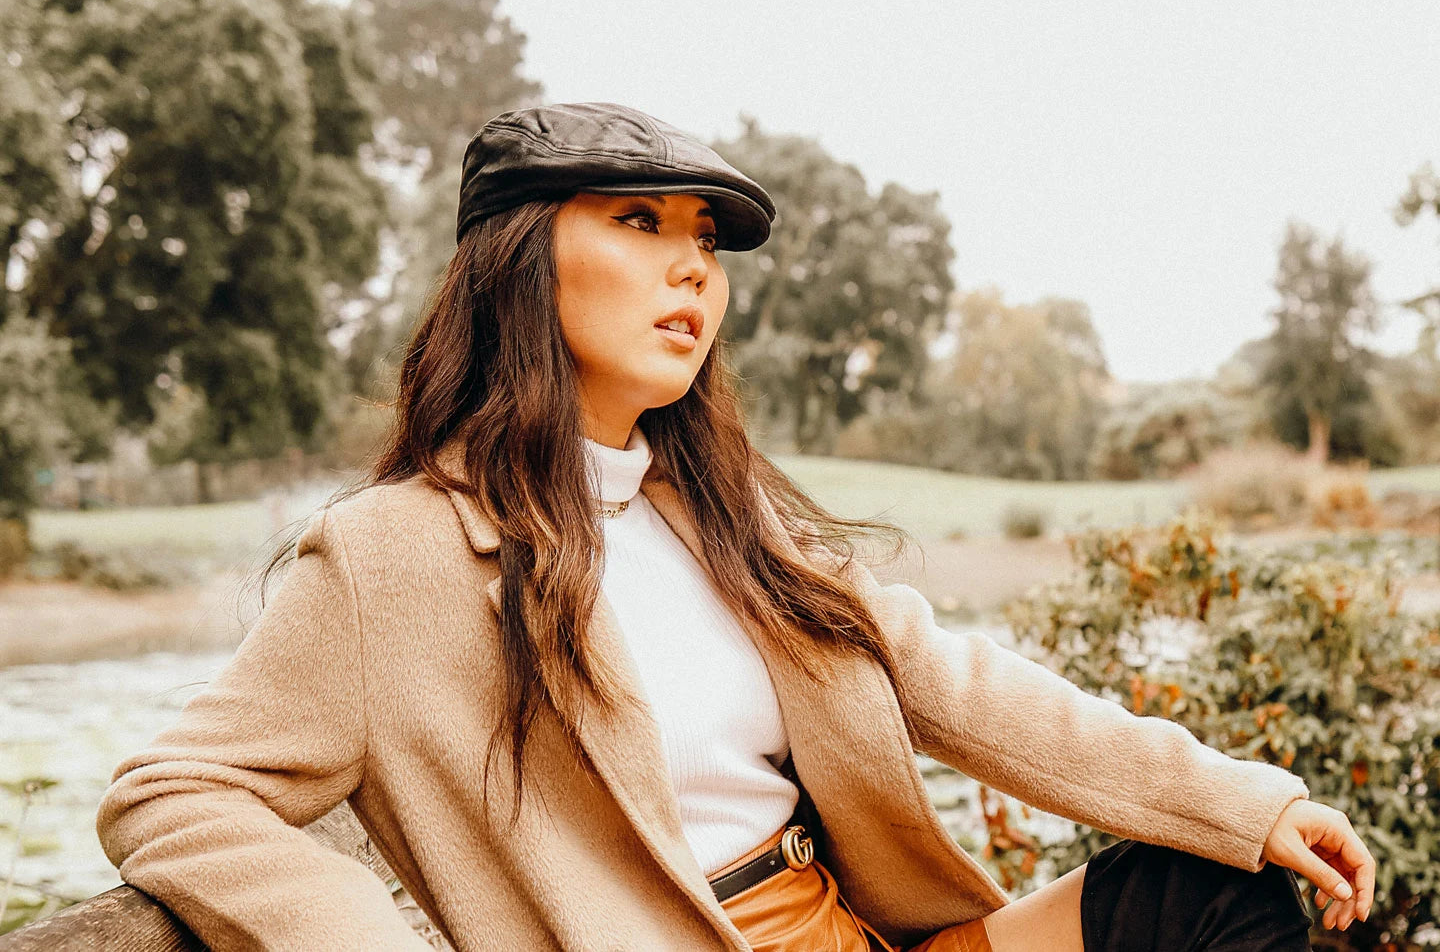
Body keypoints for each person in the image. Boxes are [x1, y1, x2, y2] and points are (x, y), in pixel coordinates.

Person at [95, 101, 1375, 951]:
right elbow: (176, 790)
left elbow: (966, 685)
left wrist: (1240, 799)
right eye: (639, 224)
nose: (693, 268)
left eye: (704, 239)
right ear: (519, 261)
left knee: (1222, 892)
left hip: (854, 933)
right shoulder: (389, 557)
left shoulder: (723, 514)